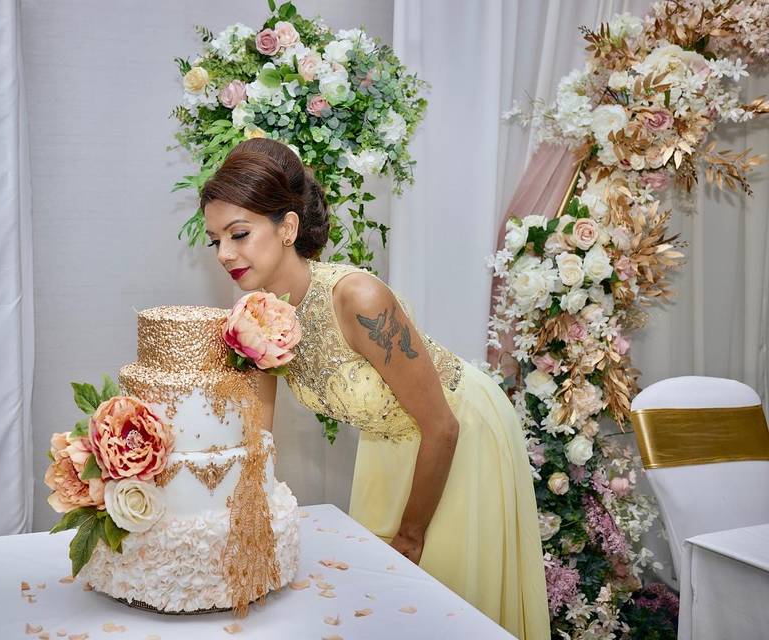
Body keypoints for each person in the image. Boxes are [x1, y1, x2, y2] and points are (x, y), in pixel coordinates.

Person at [201, 138, 550, 640]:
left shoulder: (358, 298)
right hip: (387, 448)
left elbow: (442, 426)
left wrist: (412, 534)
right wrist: (228, 514)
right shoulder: (259, 314)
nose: (224, 254)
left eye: (238, 234)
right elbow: (259, 434)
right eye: (215, 241)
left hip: (458, 438)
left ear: (288, 228)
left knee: (440, 603)